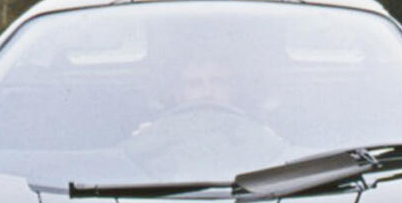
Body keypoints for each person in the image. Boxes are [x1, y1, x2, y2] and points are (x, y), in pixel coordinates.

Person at [123, 56, 287, 180]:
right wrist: (145, 136)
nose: (208, 92)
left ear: (235, 88)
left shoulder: (263, 137)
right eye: (195, 84)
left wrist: (268, 136)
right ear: (178, 93)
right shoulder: (153, 136)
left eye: (219, 82)